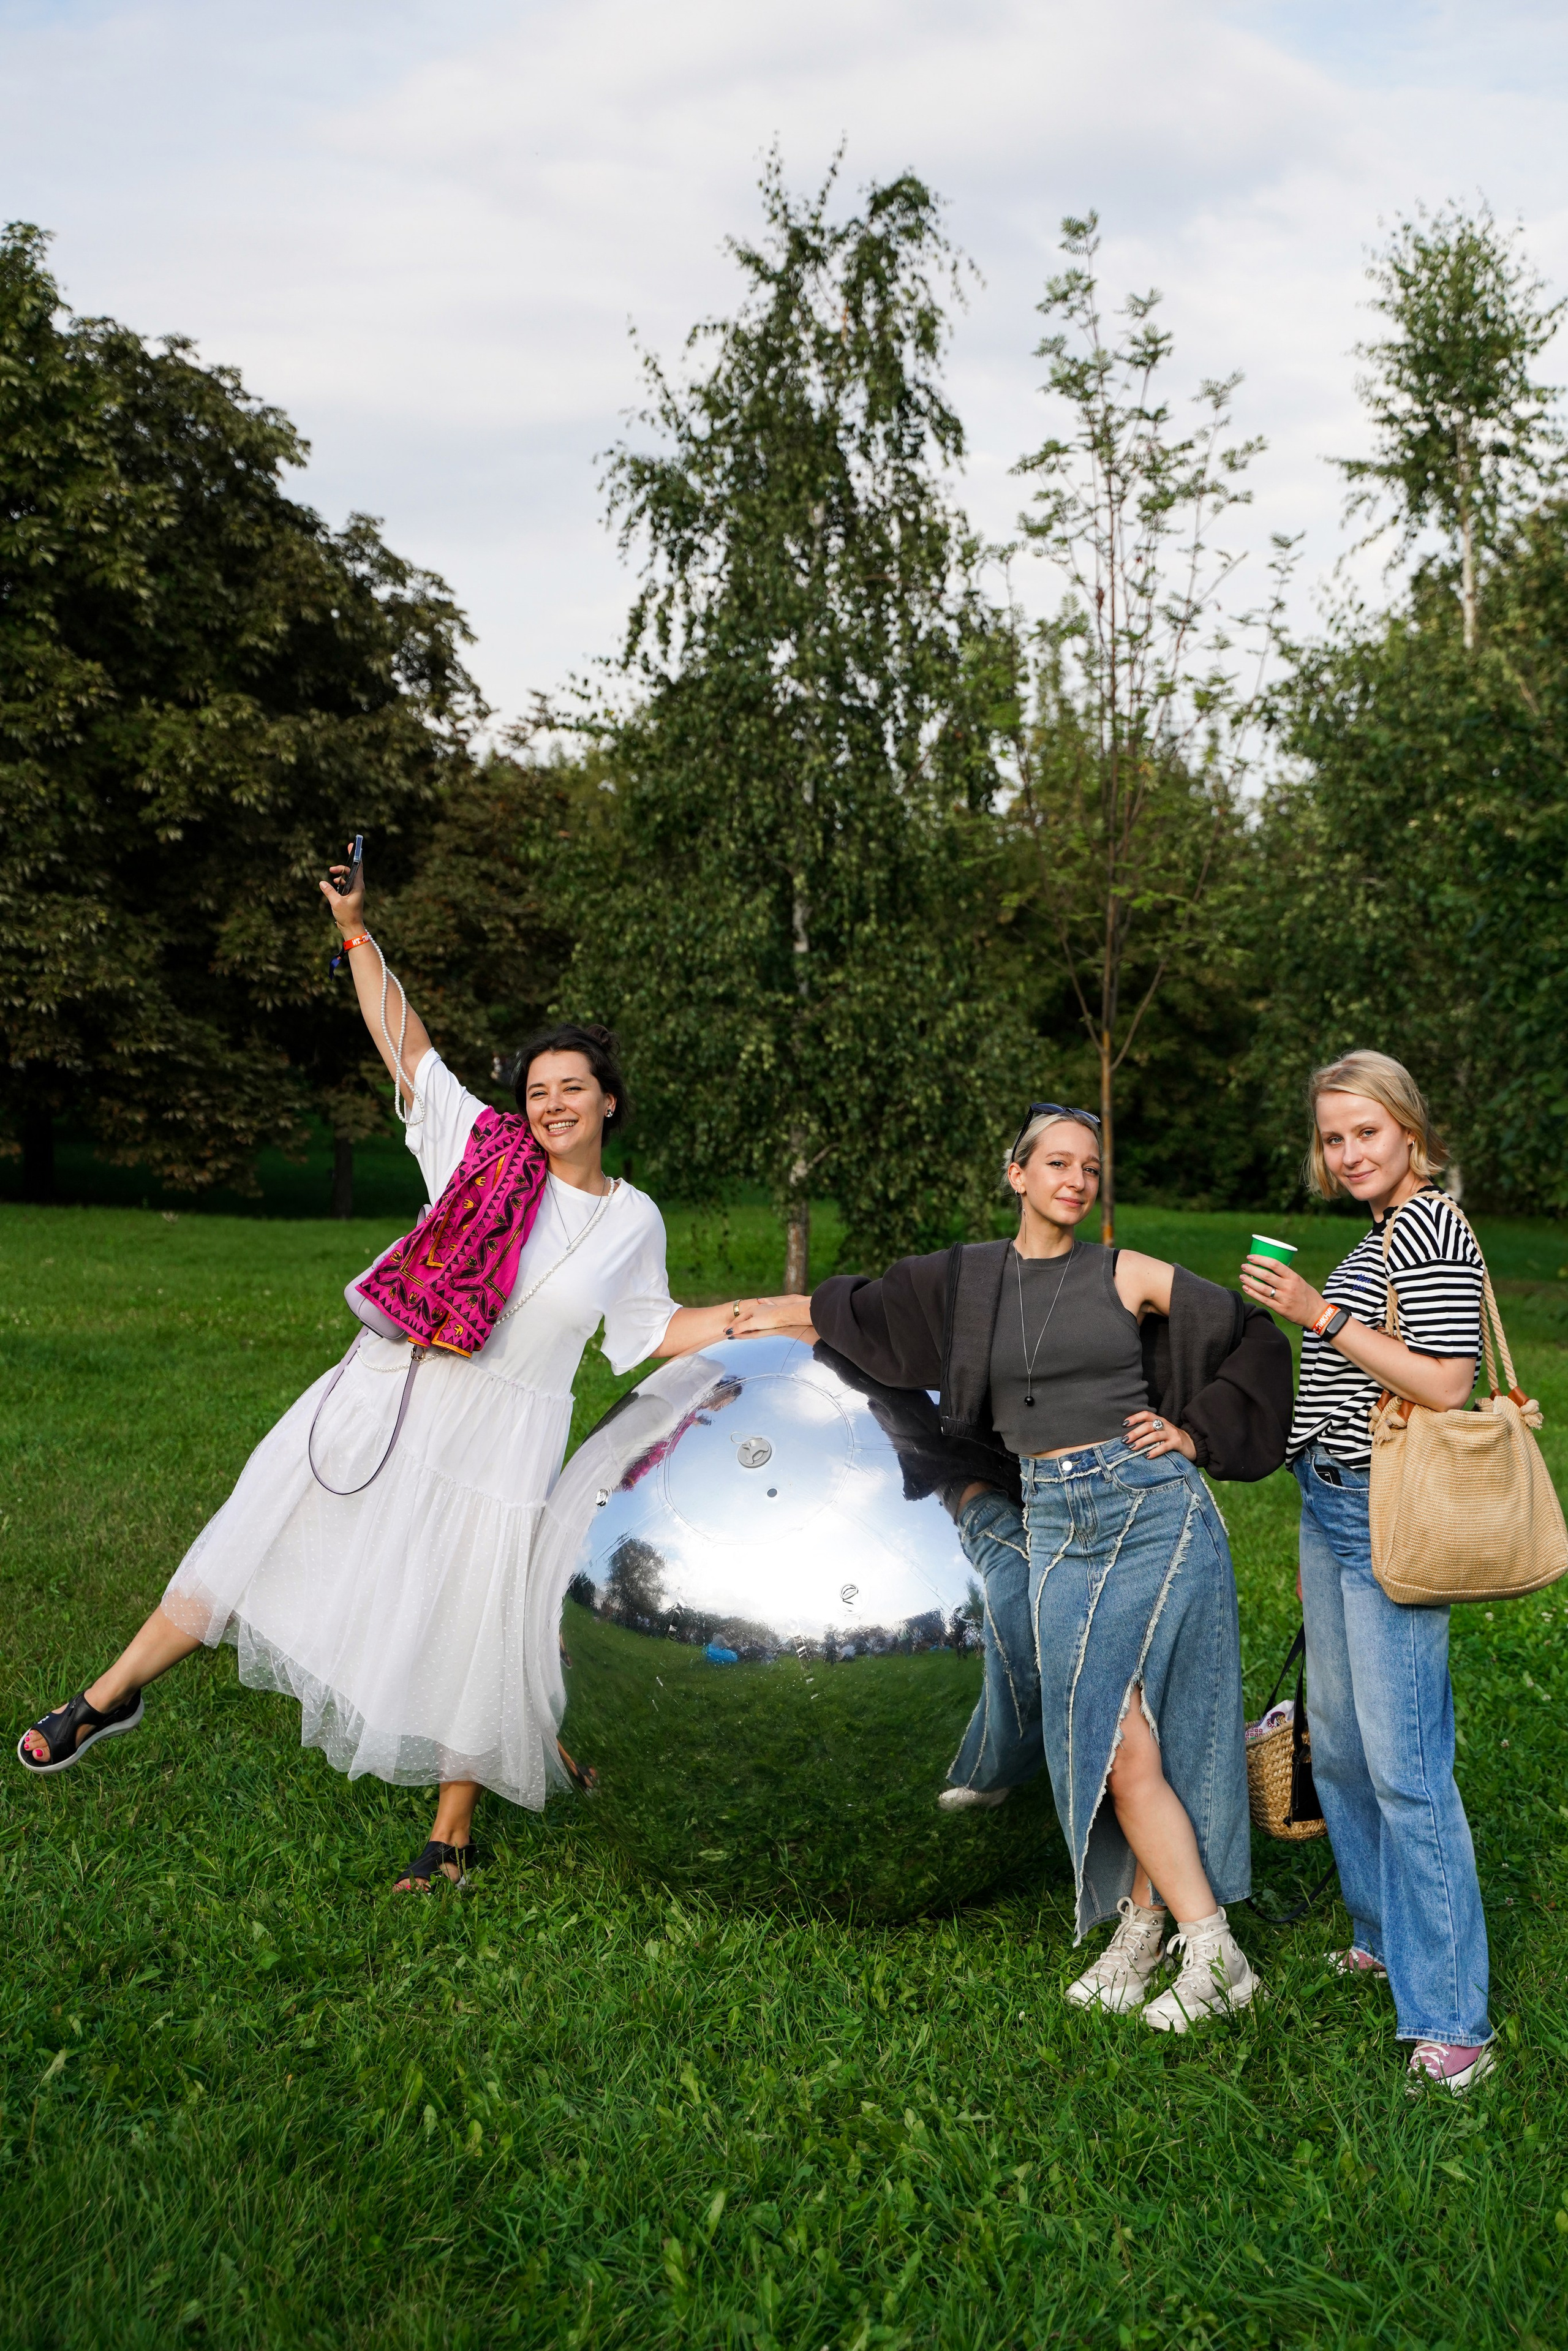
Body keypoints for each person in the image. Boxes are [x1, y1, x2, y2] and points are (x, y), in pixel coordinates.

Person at [17, 850, 764, 1891]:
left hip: (506, 1437)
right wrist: (354, 930)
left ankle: (450, 1833)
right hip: (392, 1389)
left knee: (473, 1619)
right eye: (538, 1089)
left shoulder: (632, 1218)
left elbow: (651, 1328)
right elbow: (405, 1046)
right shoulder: (480, 1148)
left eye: (572, 1089)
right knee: (255, 1531)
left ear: (609, 1102)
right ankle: (109, 1695)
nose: (551, 1105)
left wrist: (792, 1313)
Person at [737, 1106, 1293, 2031]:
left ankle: (1205, 1945)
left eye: (1091, 1166)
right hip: (1056, 1523)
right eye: (1057, 1163)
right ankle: (1150, 1927)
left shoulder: (1123, 1272)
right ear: (1016, 1174)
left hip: (1148, 1508)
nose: (1076, 1179)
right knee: (1117, 1743)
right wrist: (757, 1319)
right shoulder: (967, 1282)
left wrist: (1196, 1433)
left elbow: (1248, 1335)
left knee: (1139, 1736)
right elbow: (862, 1319)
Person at [1238, 1051, 1493, 2095]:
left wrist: (1319, 1314)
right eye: (1334, 1137)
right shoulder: (1381, 1232)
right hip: (1337, 1508)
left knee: (1405, 1764)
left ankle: (1455, 2022)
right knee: (1338, 1748)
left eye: (1367, 1134)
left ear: (1413, 1135)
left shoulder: (1433, 1225)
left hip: (1393, 1512)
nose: (1348, 1153)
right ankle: (1387, 1936)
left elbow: (1446, 1381)